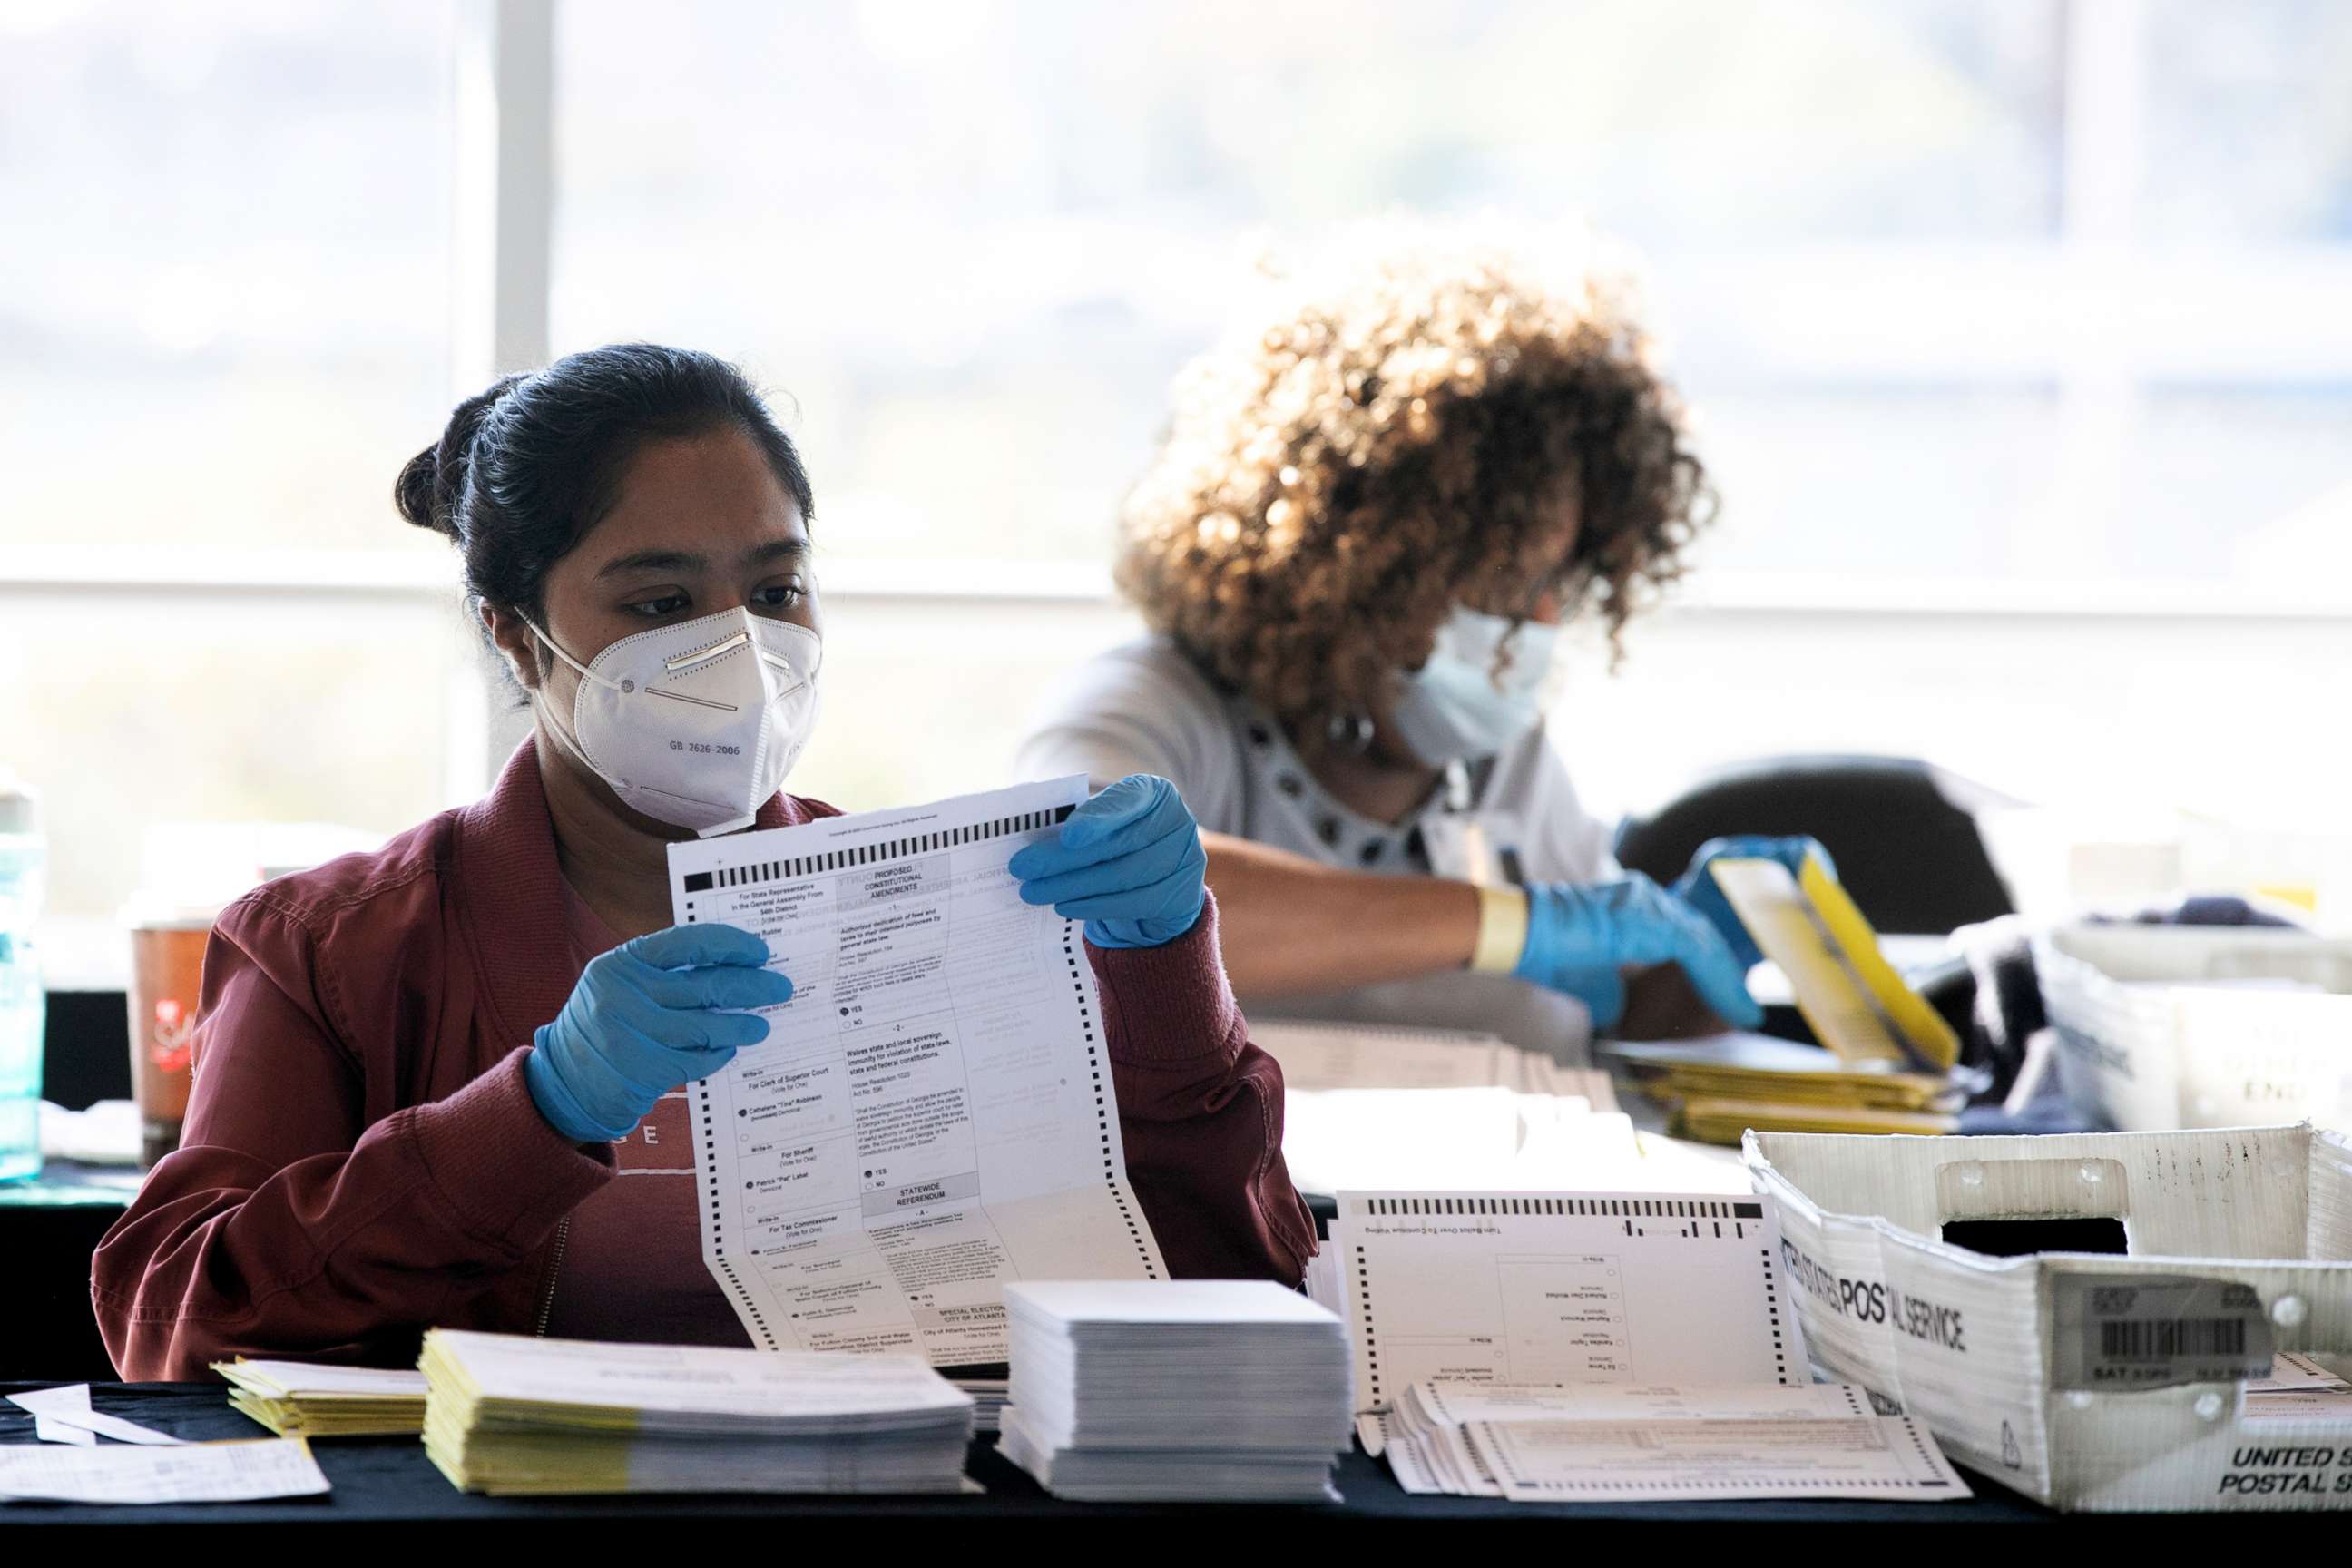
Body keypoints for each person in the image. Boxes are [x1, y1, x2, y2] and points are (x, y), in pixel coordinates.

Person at [93, 344, 1313, 1381]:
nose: (737, 646)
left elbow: (1235, 1288)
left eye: (776, 587)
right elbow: (170, 1321)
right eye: (659, 601)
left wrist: (1164, 978)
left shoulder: (950, 917)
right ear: (514, 636)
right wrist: (531, 1112)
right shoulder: (336, 947)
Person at [1015, 245, 1820, 1058]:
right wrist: (1509, 924)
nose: (1540, 619)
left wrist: (1701, 963)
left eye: (1558, 580)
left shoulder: (1500, 756)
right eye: (1507, 580)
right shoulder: (1153, 704)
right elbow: (1077, 883)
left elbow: (1609, 1008)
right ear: (1359, 563)